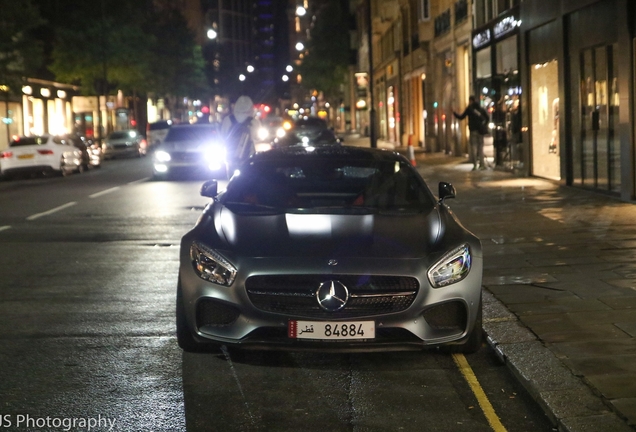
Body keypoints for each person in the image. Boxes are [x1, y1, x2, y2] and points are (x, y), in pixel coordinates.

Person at [220, 95, 262, 175]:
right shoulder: (254, 122)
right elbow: (258, 138)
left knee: (233, 181)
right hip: (249, 157)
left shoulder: (228, 120)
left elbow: (223, 136)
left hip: (231, 157)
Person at [453, 96, 489, 170]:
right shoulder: (481, 108)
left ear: (471, 101)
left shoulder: (469, 109)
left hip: (473, 131)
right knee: (480, 147)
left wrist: (454, 113)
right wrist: (484, 125)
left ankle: (475, 164)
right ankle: (482, 164)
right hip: (480, 131)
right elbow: (487, 117)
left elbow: (461, 117)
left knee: (474, 148)